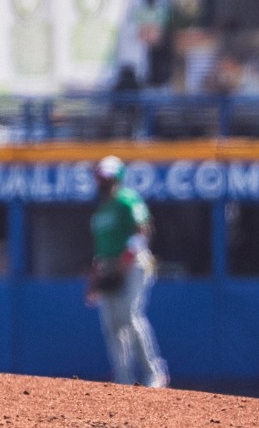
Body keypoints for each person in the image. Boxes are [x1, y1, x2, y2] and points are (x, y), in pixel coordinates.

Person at [85, 155, 169, 388]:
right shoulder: (100, 211)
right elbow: (100, 251)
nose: (100, 181)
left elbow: (142, 230)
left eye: (104, 177)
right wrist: (93, 282)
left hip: (132, 263)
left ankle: (154, 374)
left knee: (130, 316)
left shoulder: (127, 199)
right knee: (111, 324)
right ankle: (123, 378)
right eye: (99, 177)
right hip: (108, 266)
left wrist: (126, 260)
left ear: (115, 178)